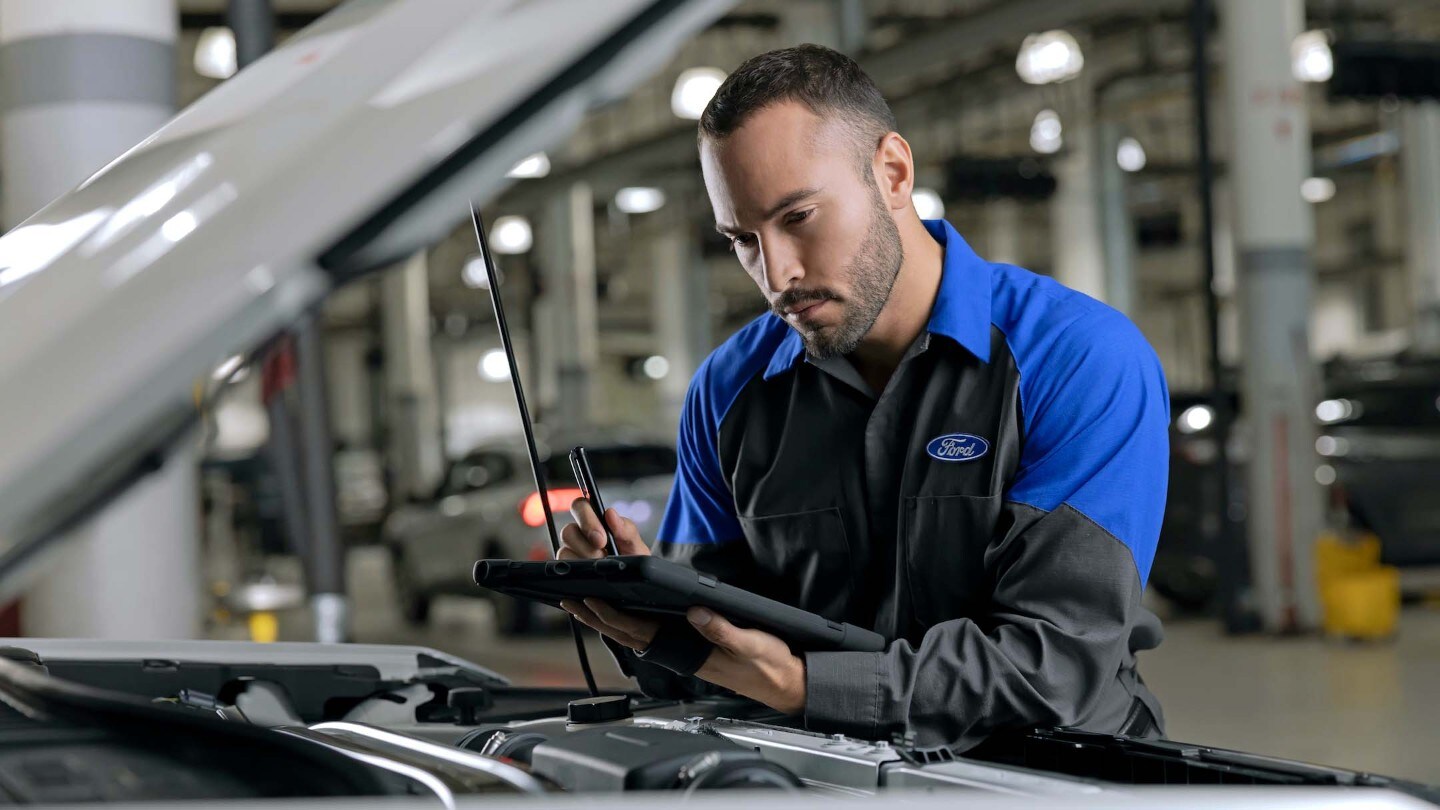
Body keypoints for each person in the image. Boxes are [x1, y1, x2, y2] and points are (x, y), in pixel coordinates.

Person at [558, 44, 1169, 750]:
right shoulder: (728, 394)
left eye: (799, 218)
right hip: (822, 779)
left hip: (1051, 781)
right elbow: (716, 658)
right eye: (743, 240)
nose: (777, 273)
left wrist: (803, 687)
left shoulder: (1078, 361)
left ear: (893, 173)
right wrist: (645, 621)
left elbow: (1057, 668)